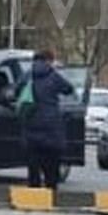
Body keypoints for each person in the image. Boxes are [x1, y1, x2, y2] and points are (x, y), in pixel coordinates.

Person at [21, 49, 75, 189]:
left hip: (31, 124)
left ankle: (34, 192)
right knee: (52, 163)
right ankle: (51, 190)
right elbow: (69, 89)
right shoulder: (54, 76)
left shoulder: (27, 76)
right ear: (50, 61)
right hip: (51, 127)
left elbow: (14, 93)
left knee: (33, 164)